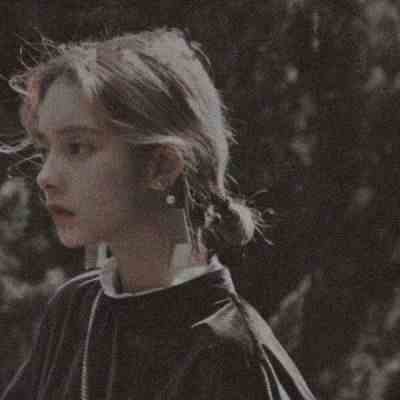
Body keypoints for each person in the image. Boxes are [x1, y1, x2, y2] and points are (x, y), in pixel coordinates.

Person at [1, 28, 316, 400]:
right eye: (45, 150)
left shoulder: (230, 357)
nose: (45, 177)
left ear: (162, 166)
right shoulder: (76, 311)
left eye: (77, 147)